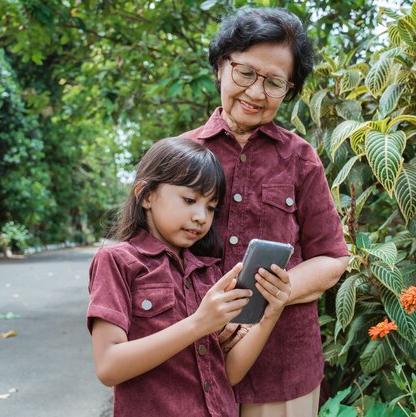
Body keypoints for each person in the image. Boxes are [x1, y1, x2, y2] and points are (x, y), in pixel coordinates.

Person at [180, 7, 350, 417]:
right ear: (222, 67)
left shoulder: (300, 158)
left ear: (288, 90)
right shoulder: (180, 155)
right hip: (188, 365)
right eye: (246, 73)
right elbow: (146, 255)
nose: (256, 93)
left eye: (274, 82)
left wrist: (261, 301)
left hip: (283, 370)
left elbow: (332, 257)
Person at [86, 137, 291, 417]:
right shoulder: (118, 261)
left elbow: (226, 375)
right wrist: (199, 323)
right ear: (145, 195)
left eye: (210, 207)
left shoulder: (209, 273)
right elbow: (109, 366)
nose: (200, 217)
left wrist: (270, 315)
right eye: (189, 200)